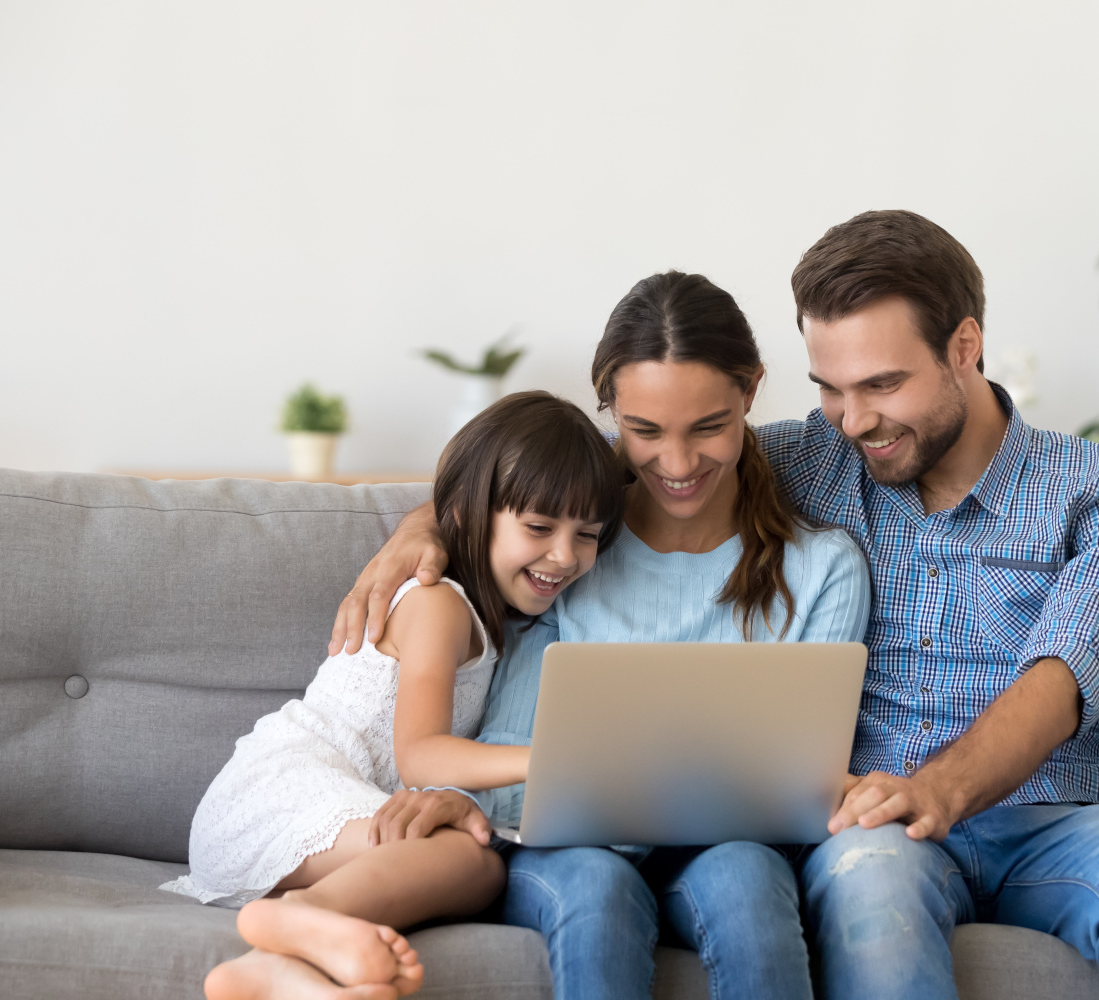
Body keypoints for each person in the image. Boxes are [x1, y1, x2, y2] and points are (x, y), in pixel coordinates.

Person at [334, 211, 1099, 1000]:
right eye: (829, 389)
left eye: (881, 385)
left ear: (966, 347)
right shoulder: (817, 457)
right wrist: (429, 526)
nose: (853, 420)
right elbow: (611, 465)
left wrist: (934, 791)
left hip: (1048, 821)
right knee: (874, 889)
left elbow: (1064, 675)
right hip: (869, 830)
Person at [346, 270, 871, 1000]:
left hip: (723, 845)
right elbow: (484, 492)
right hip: (561, 846)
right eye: (645, 430)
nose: (680, 466)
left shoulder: (822, 569)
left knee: (750, 882)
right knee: (596, 888)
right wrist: (420, 524)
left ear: (751, 392)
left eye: (710, 428)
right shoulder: (574, 547)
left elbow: (798, 777)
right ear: (609, 407)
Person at [165, 391, 626, 1000]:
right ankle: (306, 914)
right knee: (472, 857)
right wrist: (559, 760)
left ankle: (272, 968)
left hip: (328, 821)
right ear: (465, 515)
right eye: (540, 528)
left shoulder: (495, 618)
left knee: (473, 858)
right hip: (277, 795)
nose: (565, 555)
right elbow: (422, 757)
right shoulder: (439, 605)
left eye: (587, 535)